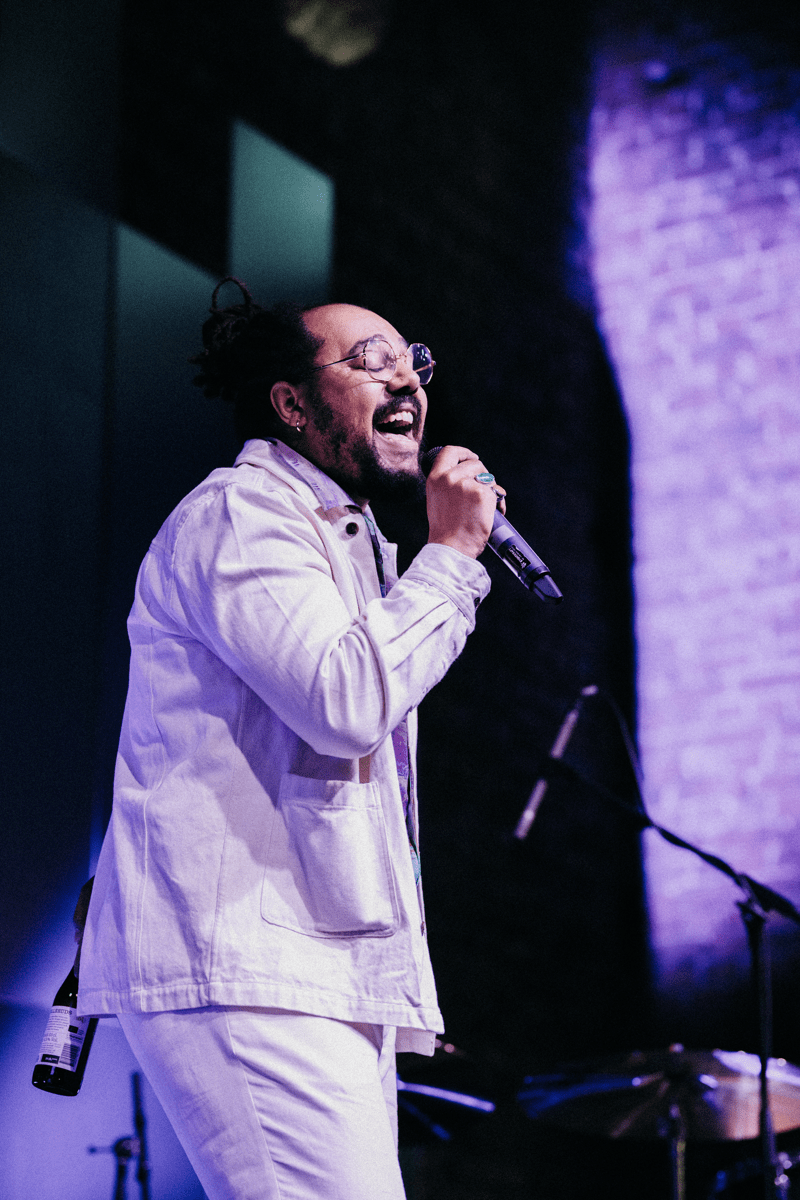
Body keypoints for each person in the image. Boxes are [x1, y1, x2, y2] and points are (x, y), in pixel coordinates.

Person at [79, 279, 504, 1200]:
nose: (407, 381)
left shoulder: (342, 542)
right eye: (370, 361)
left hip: (311, 970)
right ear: (292, 405)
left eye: (413, 360)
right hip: (250, 967)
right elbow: (343, 700)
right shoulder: (242, 512)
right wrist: (454, 562)